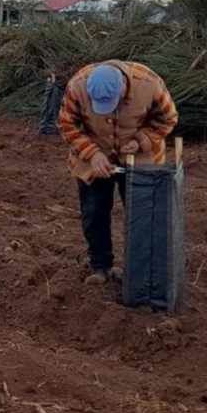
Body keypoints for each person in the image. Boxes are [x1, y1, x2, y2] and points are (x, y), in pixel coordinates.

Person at [58, 60, 178, 284]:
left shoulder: (149, 84)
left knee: (142, 215)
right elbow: (67, 125)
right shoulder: (77, 86)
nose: (109, 109)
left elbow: (168, 118)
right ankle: (100, 266)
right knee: (94, 212)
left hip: (140, 156)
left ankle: (141, 272)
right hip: (94, 156)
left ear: (123, 85)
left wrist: (142, 140)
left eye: (112, 103)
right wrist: (92, 153)